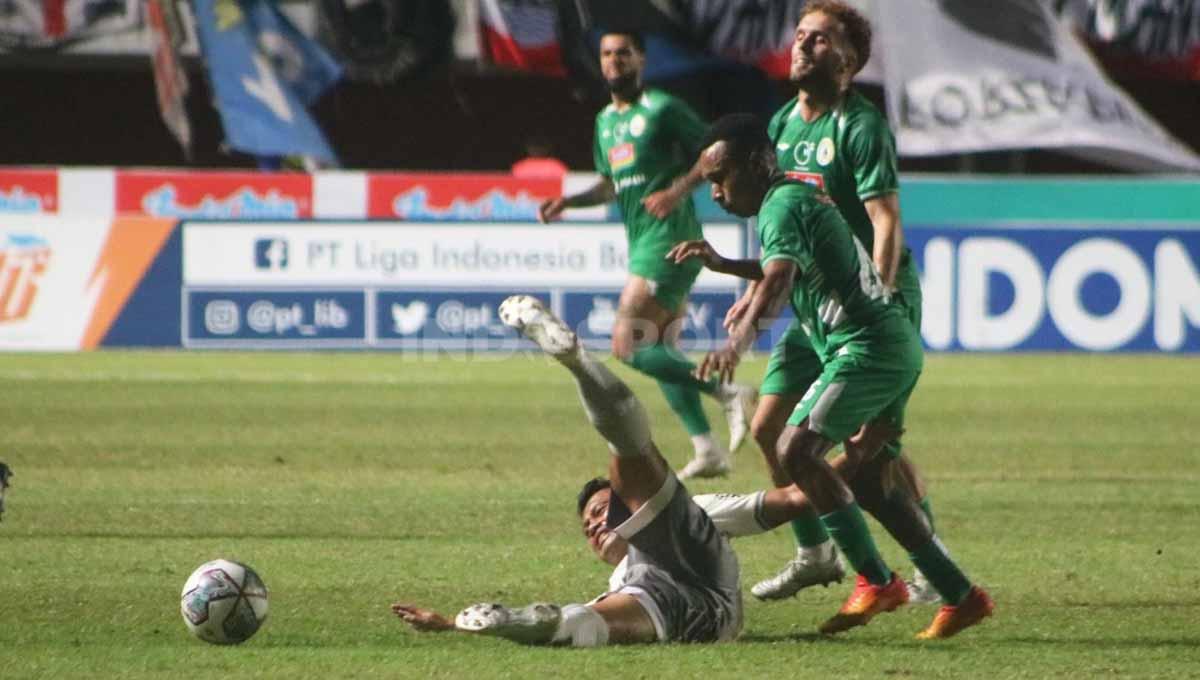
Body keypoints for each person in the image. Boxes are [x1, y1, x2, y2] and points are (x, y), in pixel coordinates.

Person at [672, 113, 992, 639]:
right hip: (889, 345)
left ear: (756, 164)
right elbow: (789, 266)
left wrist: (737, 343)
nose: (716, 194)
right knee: (874, 483)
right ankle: (960, 595)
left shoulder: (781, 204)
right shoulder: (792, 199)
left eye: (720, 178)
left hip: (866, 349)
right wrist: (729, 265)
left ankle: (877, 580)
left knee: (797, 450)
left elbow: (779, 280)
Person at [716, 0, 943, 604]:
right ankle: (815, 555)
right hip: (819, 304)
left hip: (869, 304)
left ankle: (929, 570)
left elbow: (885, 219)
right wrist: (753, 291)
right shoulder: (784, 126)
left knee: (877, 450)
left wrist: (884, 299)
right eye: (800, 35)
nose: (803, 45)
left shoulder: (859, 124)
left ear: (850, 59)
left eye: (820, 39)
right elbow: (781, 227)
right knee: (768, 427)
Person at [391, 295, 742, 646]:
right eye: (588, 525)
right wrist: (452, 624)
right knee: (587, 617)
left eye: (602, 512)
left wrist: (798, 555)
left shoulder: (695, 513)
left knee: (630, 450)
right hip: (667, 605)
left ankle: (579, 363)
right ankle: (578, 361)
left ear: (624, 506)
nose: (593, 526)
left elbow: (776, 504)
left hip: (699, 601)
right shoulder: (625, 579)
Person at [536, 30, 756, 480]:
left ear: (641, 60)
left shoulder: (663, 109)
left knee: (626, 342)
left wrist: (676, 191)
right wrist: (569, 203)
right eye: (607, 54)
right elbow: (608, 185)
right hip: (644, 241)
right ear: (600, 64)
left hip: (670, 238)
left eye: (624, 53)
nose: (615, 61)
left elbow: (714, 151)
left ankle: (728, 392)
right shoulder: (604, 123)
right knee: (662, 350)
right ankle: (707, 448)